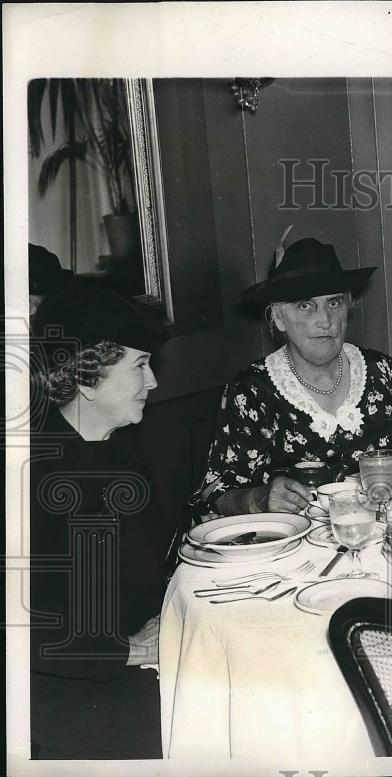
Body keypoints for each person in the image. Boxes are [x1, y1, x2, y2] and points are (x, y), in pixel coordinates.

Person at [30, 283, 171, 759]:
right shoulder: (35, 474)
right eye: (139, 365)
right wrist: (130, 651)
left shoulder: (119, 448)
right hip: (69, 697)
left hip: (135, 660)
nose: (153, 382)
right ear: (87, 378)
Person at [193, 234, 392, 519]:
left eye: (334, 303)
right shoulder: (252, 391)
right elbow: (216, 493)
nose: (325, 320)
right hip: (287, 552)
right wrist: (261, 498)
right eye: (305, 305)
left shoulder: (383, 372)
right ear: (278, 318)